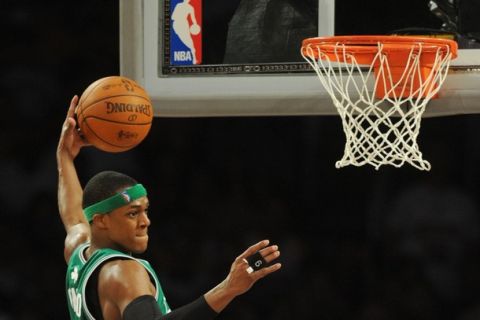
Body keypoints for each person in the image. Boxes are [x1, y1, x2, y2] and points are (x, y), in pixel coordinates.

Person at [57, 95, 282, 320]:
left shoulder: (79, 252)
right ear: (101, 221)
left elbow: (75, 217)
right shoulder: (123, 272)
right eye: (132, 213)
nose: (145, 221)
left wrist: (65, 156)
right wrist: (228, 288)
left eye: (146, 210)